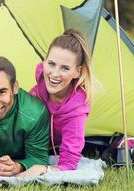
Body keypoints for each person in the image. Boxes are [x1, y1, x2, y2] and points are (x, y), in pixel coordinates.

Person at [18, 29, 93, 176]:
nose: (55, 74)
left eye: (65, 68)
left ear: (77, 72)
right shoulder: (38, 90)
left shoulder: (76, 110)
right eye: (51, 64)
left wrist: (44, 169)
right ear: (44, 62)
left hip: (48, 149)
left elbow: (69, 162)